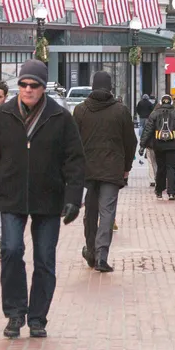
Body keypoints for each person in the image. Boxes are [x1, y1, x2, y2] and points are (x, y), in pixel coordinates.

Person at [0, 59, 86, 339]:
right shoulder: (3, 116)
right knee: (11, 251)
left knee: (45, 259)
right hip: (11, 196)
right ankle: (14, 313)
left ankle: (37, 317)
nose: (27, 90)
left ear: (42, 87)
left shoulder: (60, 118)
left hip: (49, 197)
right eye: (23, 84)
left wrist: (74, 197)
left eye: (33, 85)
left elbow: (75, 160)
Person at [72, 71, 137, 273]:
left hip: (87, 170)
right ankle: (101, 256)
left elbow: (72, 142)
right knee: (107, 212)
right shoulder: (121, 111)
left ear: (92, 87)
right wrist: (126, 167)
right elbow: (130, 141)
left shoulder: (80, 110)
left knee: (90, 212)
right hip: (112, 168)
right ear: (110, 88)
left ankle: (91, 250)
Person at [140, 95, 175, 200]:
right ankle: (171, 193)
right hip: (172, 145)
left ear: (161, 102)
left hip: (159, 145)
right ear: (171, 102)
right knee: (171, 168)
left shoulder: (155, 114)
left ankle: (159, 191)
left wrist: (142, 145)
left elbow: (148, 130)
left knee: (160, 168)